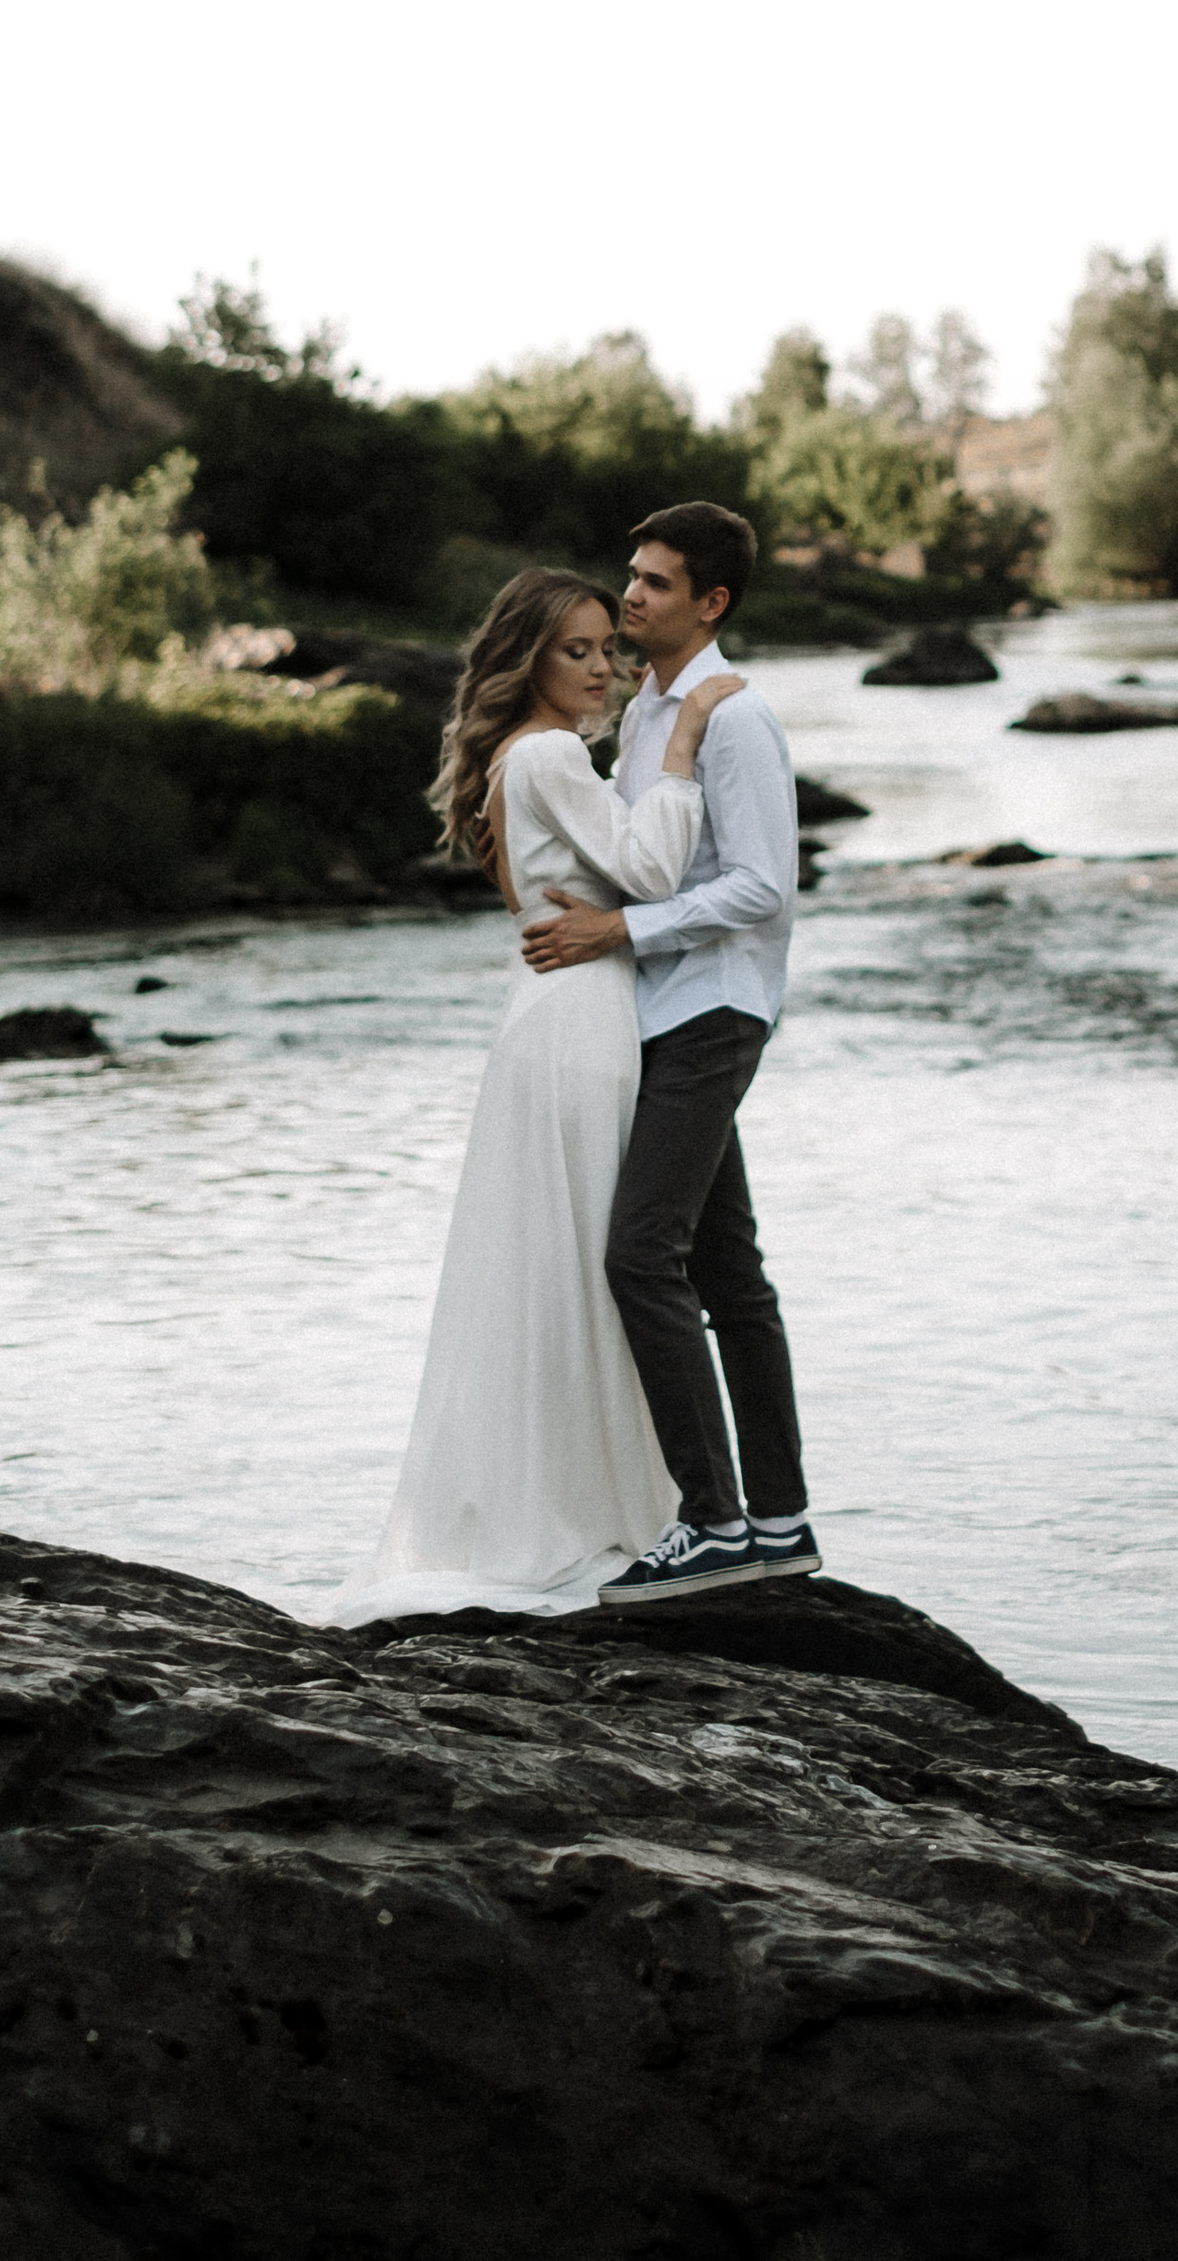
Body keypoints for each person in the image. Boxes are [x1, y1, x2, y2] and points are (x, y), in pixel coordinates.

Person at [330, 569, 743, 1622]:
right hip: (581, 1022)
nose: (602, 667)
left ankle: (601, 1507)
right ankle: (627, 1518)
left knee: (564, 1269)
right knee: (604, 1271)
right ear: (526, 658)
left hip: (547, 1015)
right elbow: (652, 872)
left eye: (609, 646)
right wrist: (686, 742)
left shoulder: (523, 759)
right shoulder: (552, 754)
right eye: (577, 650)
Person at [519, 501, 816, 1605]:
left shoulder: (733, 718)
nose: (630, 595)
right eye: (630, 577)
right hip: (657, 1015)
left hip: (712, 1009)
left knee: (641, 1254)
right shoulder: (645, 714)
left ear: (712, 603)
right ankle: (777, 1522)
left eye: (655, 583)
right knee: (727, 1270)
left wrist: (617, 932)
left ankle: (712, 1521)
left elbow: (763, 885)